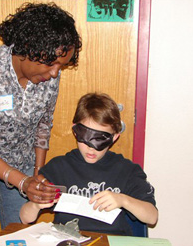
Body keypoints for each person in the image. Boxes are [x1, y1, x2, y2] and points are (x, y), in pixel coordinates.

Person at [0, 2, 82, 246]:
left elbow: (44, 125)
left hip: (21, 161)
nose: (55, 73)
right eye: (51, 64)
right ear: (29, 49)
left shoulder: (50, 73)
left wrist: (36, 174)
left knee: (20, 237)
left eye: (61, 66)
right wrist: (23, 182)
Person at [20, 93, 158, 235]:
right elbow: (25, 218)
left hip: (110, 241)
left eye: (100, 139)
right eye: (85, 136)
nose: (91, 148)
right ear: (75, 131)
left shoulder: (127, 171)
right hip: (68, 240)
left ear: (115, 137)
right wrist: (36, 204)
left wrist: (123, 200)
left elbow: (152, 217)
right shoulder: (58, 168)